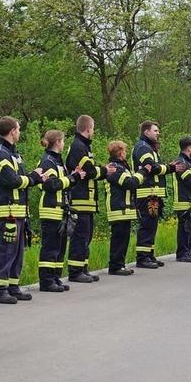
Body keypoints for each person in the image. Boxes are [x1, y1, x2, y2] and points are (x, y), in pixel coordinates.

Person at [0, 116, 46, 304]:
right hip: (7, 211)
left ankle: (12, 286)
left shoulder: (14, 154)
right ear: (12, 131)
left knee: (17, 252)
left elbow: (20, 178)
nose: (19, 132)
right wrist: (33, 178)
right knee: (5, 251)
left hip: (19, 210)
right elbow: (11, 180)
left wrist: (32, 177)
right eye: (19, 129)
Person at [66, 115, 115, 283]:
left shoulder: (84, 147)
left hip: (88, 202)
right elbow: (89, 171)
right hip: (80, 201)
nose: (93, 131)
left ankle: (83, 268)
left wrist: (99, 169)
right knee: (80, 237)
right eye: (93, 128)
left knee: (86, 236)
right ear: (88, 128)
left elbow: (91, 170)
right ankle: (75, 271)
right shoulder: (78, 147)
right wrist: (104, 171)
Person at [132, 120, 185, 268]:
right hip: (146, 193)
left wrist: (168, 167)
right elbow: (151, 167)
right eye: (155, 130)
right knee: (147, 225)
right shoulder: (142, 148)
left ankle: (149, 254)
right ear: (146, 132)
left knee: (152, 225)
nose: (158, 133)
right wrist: (170, 168)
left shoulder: (150, 148)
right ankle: (142, 258)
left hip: (153, 193)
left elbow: (156, 167)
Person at [38, 130, 85, 292]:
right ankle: (46, 281)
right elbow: (51, 185)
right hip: (50, 210)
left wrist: (74, 176)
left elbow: (64, 183)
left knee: (59, 248)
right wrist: (73, 178)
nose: (64, 144)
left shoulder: (58, 162)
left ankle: (55, 278)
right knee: (50, 247)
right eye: (63, 141)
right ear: (57, 142)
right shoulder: (47, 161)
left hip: (61, 210)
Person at [105, 141, 146, 275]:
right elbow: (130, 183)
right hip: (118, 209)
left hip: (124, 209)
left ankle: (120, 264)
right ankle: (116, 266)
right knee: (119, 239)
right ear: (120, 152)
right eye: (125, 151)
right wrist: (142, 173)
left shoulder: (120, 166)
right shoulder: (115, 167)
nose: (126, 153)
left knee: (123, 238)